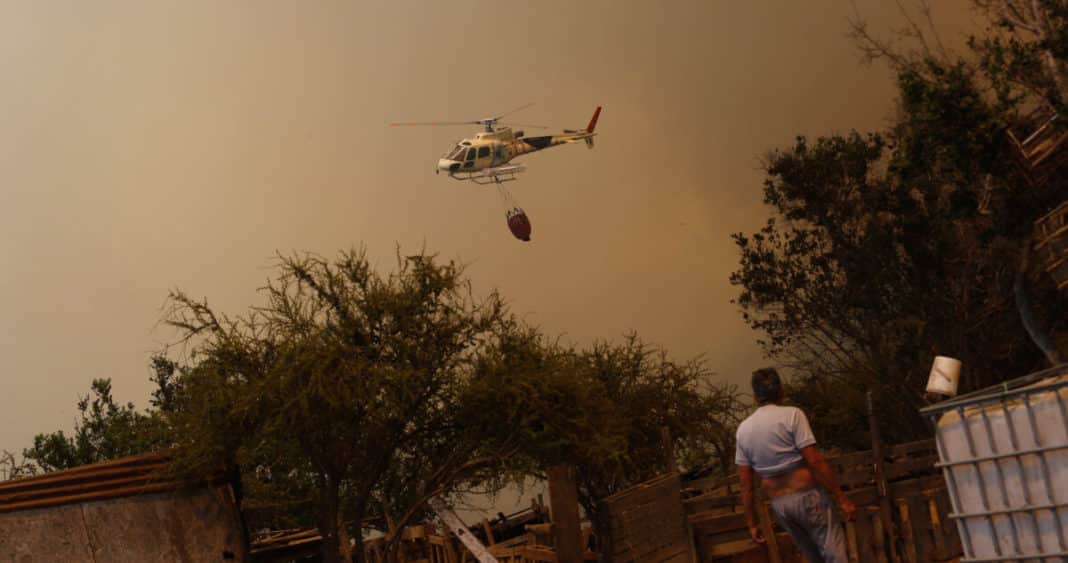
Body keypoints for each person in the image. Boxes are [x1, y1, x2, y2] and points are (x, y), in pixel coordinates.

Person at [734, 368, 857, 563]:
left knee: (813, 557)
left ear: (755, 397)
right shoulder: (793, 415)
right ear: (782, 391)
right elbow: (814, 460)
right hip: (808, 497)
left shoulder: (743, 430)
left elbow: (745, 485)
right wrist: (841, 497)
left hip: (781, 506)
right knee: (836, 556)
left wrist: (751, 523)